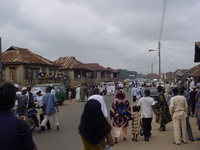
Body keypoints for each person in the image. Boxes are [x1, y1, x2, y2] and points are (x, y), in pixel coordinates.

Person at [0, 82, 37, 150]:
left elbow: (27, 103)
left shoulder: (26, 96)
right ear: (14, 102)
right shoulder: (21, 125)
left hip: (24, 108)